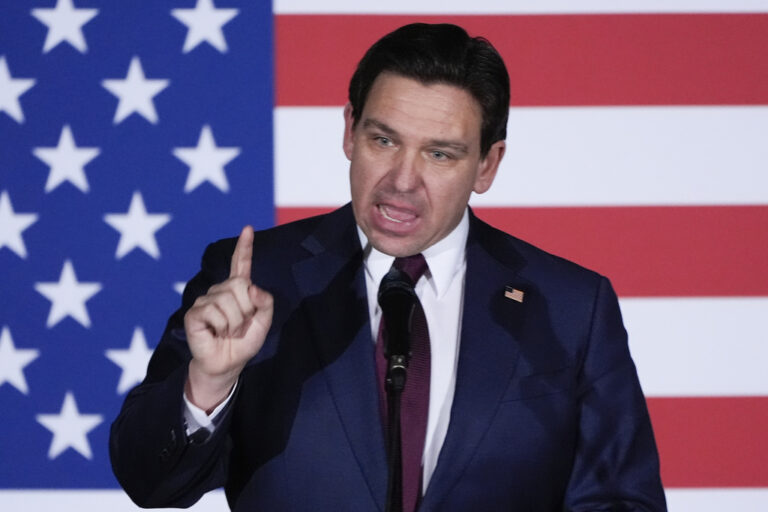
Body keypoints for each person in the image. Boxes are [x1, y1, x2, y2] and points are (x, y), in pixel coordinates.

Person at [110, 23, 666, 511]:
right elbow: (149, 483)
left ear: (487, 165)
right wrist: (208, 383)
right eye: (383, 140)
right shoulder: (253, 278)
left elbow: (621, 499)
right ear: (349, 131)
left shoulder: (570, 307)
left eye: (440, 154)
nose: (402, 180)